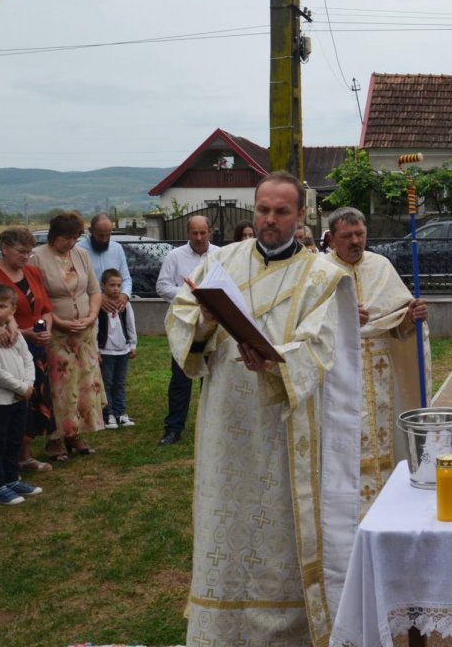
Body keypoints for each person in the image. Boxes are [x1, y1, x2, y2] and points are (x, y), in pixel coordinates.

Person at [165, 171, 361, 645]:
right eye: (263, 210)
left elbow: (320, 345)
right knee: (224, 522)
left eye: (281, 212)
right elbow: (181, 320)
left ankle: (284, 632)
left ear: (300, 216)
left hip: (283, 427)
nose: (270, 219)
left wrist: (274, 362)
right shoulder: (220, 261)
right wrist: (205, 320)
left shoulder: (322, 275)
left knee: (277, 532)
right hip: (226, 422)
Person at [322, 205, 428, 516]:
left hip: (381, 371)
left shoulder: (381, 266)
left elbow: (397, 320)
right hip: (339, 371)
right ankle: (344, 510)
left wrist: (412, 317)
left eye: (360, 234)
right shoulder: (319, 272)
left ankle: (391, 507)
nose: (355, 241)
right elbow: (307, 323)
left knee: (385, 438)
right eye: (347, 236)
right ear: (331, 239)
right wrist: (340, 316)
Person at [30, 211, 104, 461]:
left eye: (75, 238)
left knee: (82, 383)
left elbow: (94, 291)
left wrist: (91, 315)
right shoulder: (37, 258)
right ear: (54, 236)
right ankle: (55, 438)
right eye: (66, 238)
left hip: (84, 333)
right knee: (59, 386)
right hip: (56, 334)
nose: (71, 243)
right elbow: (38, 298)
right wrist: (60, 321)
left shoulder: (82, 255)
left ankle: (75, 433)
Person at [0, 228, 55, 473]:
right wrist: (24, 332)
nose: (26, 256)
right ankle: (2, 462)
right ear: (4, 247)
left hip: (35, 347)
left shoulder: (33, 273)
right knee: (10, 401)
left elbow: (45, 308)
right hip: (5, 345)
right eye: (21, 251)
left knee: (32, 401)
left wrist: (45, 330)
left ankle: (24, 455)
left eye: (29, 252)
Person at [155, 215, 218, 446]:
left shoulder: (220, 254)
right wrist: (190, 295)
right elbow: (162, 286)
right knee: (181, 378)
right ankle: (173, 428)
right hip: (185, 325)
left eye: (203, 233)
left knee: (211, 377)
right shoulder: (175, 256)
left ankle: (211, 426)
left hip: (212, 324)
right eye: (194, 233)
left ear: (210, 231)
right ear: (187, 233)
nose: (199, 237)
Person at [0, 284, 41, 506]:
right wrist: (20, 388)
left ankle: (12, 479)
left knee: (14, 440)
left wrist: (29, 384)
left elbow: (27, 359)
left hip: (19, 398)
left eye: (2, 306)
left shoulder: (15, 334)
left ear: (13, 310)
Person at [96, 268, 136, 429]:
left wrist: (132, 344)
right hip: (106, 351)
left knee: (119, 383)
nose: (116, 289)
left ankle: (120, 413)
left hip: (122, 351)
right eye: (112, 285)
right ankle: (108, 414)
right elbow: (95, 328)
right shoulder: (98, 305)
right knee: (106, 383)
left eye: (119, 285)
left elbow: (131, 325)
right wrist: (96, 349)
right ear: (103, 285)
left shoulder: (125, 305)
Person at [78, 213, 133, 311]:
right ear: (91, 231)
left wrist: (125, 295)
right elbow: (77, 283)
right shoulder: (78, 250)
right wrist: (98, 297)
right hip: (88, 308)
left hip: (115, 308)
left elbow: (126, 279)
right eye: (100, 235)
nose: (104, 240)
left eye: (108, 235)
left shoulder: (117, 249)